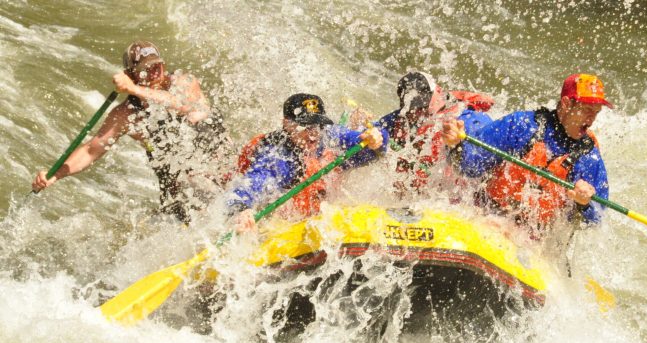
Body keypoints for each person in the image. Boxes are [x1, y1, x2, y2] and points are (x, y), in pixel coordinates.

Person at [32, 40, 234, 223]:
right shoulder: (126, 114)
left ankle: (236, 208)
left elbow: (180, 104)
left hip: (216, 163)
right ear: (132, 75)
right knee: (169, 212)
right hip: (176, 179)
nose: (155, 71)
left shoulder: (184, 82)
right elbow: (90, 151)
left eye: (157, 65)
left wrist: (134, 89)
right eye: (146, 68)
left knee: (200, 179)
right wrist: (54, 176)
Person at [443, 73, 612, 238]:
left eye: (596, 112)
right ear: (567, 104)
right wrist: (456, 146)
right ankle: (471, 110)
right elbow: (471, 168)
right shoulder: (521, 126)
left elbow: (596, 219)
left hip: (536, 236)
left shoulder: (588, 158)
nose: (592, 119)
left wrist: (583, 204)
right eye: (587, 110)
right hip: (488, 212)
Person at [228, 93, 386, 232]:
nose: (313, 134)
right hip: (286, 215)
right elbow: (249, 187)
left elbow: (371, 144)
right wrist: (242, 210)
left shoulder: (329, 135)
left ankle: (356, 121)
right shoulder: (280, 158)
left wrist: (376, 138)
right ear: (286, 124)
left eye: (317, 125)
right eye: (305, 127)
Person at [375, 71, 494, 199]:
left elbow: (477, 166)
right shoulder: (406, 115)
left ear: (437, 91)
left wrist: (456, 146)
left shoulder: (468, 119)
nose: (419, 113)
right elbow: (376, 130)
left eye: (423, 105)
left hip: (459, 190)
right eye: (414, 108)